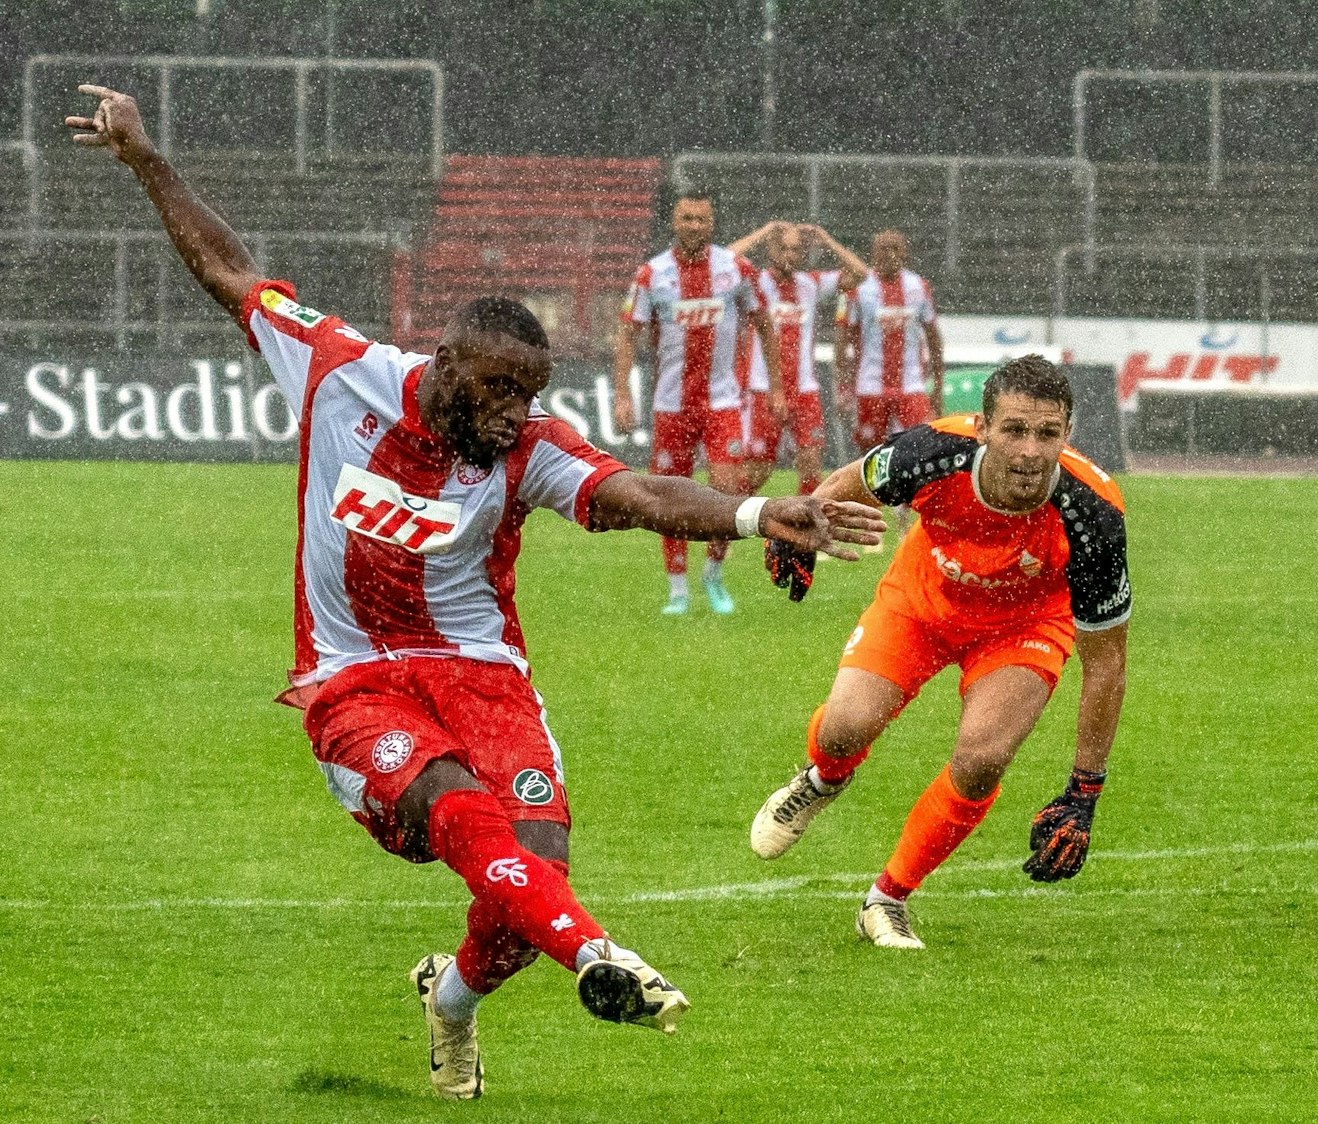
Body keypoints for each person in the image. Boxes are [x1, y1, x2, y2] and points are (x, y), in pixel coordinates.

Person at [63, 84, 883, 1099]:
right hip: (353, 678)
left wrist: (757, 514)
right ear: (444, 364)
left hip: (483, 676)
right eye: (496, 389)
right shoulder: (340, 372)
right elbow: (230, 269)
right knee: (458, 810)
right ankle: (600, 956)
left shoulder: (525, 448)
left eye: (528, 395)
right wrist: (145, 159)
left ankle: (449, 1002)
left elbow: (632, 490)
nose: (512, 413)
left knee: (536, 853)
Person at [751, 356, 1131, 949]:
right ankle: (822, 780)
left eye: (1047, 434)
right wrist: (802, 527)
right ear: (982, 428)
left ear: (1068, 433)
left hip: (1025, 626)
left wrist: (1085, 791)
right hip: (920, 601)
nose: (1030, 452)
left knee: (983, 760)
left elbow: (1106, 663)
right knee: (844, 730)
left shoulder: (1095, 513)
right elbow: (855, 479)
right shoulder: (932, 452)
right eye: (1014, 430)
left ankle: (888, 899)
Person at [611, 190, 785, 615]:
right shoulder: (652, 274)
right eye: (687, 218)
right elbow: (628, 335)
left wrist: (777, 387)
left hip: (722, 401)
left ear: (712, 224)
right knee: (668, 498)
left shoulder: (735, 269)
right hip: (671, 405)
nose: (694, 226)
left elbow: (764, 324)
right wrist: (621, 392)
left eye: (701, 219)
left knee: (727, 490)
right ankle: (677, 589)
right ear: (675, 221)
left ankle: (712, 573)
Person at [728, 221, 867, 496]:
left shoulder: (811, 284)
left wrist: (826, 240)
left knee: (811, 467)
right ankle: (728, 521)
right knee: (759, 471)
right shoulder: (756, 281)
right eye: (783, 248)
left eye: (795, 249)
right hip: (763, 390)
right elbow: (724, 262)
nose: (790, 255)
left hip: (805, 390)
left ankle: (801, 532)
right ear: (771, 249)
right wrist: (764, 231)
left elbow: (862, 274)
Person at [835, 230, 946, 548]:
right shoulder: (859, 290)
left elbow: (933, 336)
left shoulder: (919, 287)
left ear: (905, 252)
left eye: (896, 248)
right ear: (872, 253)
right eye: (882, 249)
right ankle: (870, 522)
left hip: (911, 385)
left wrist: (935, 387)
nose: (889, 254)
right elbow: (843, 338)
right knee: (869, 456)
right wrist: (842, 386)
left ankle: (906, 524)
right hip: (869, 387)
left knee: (915, 453)